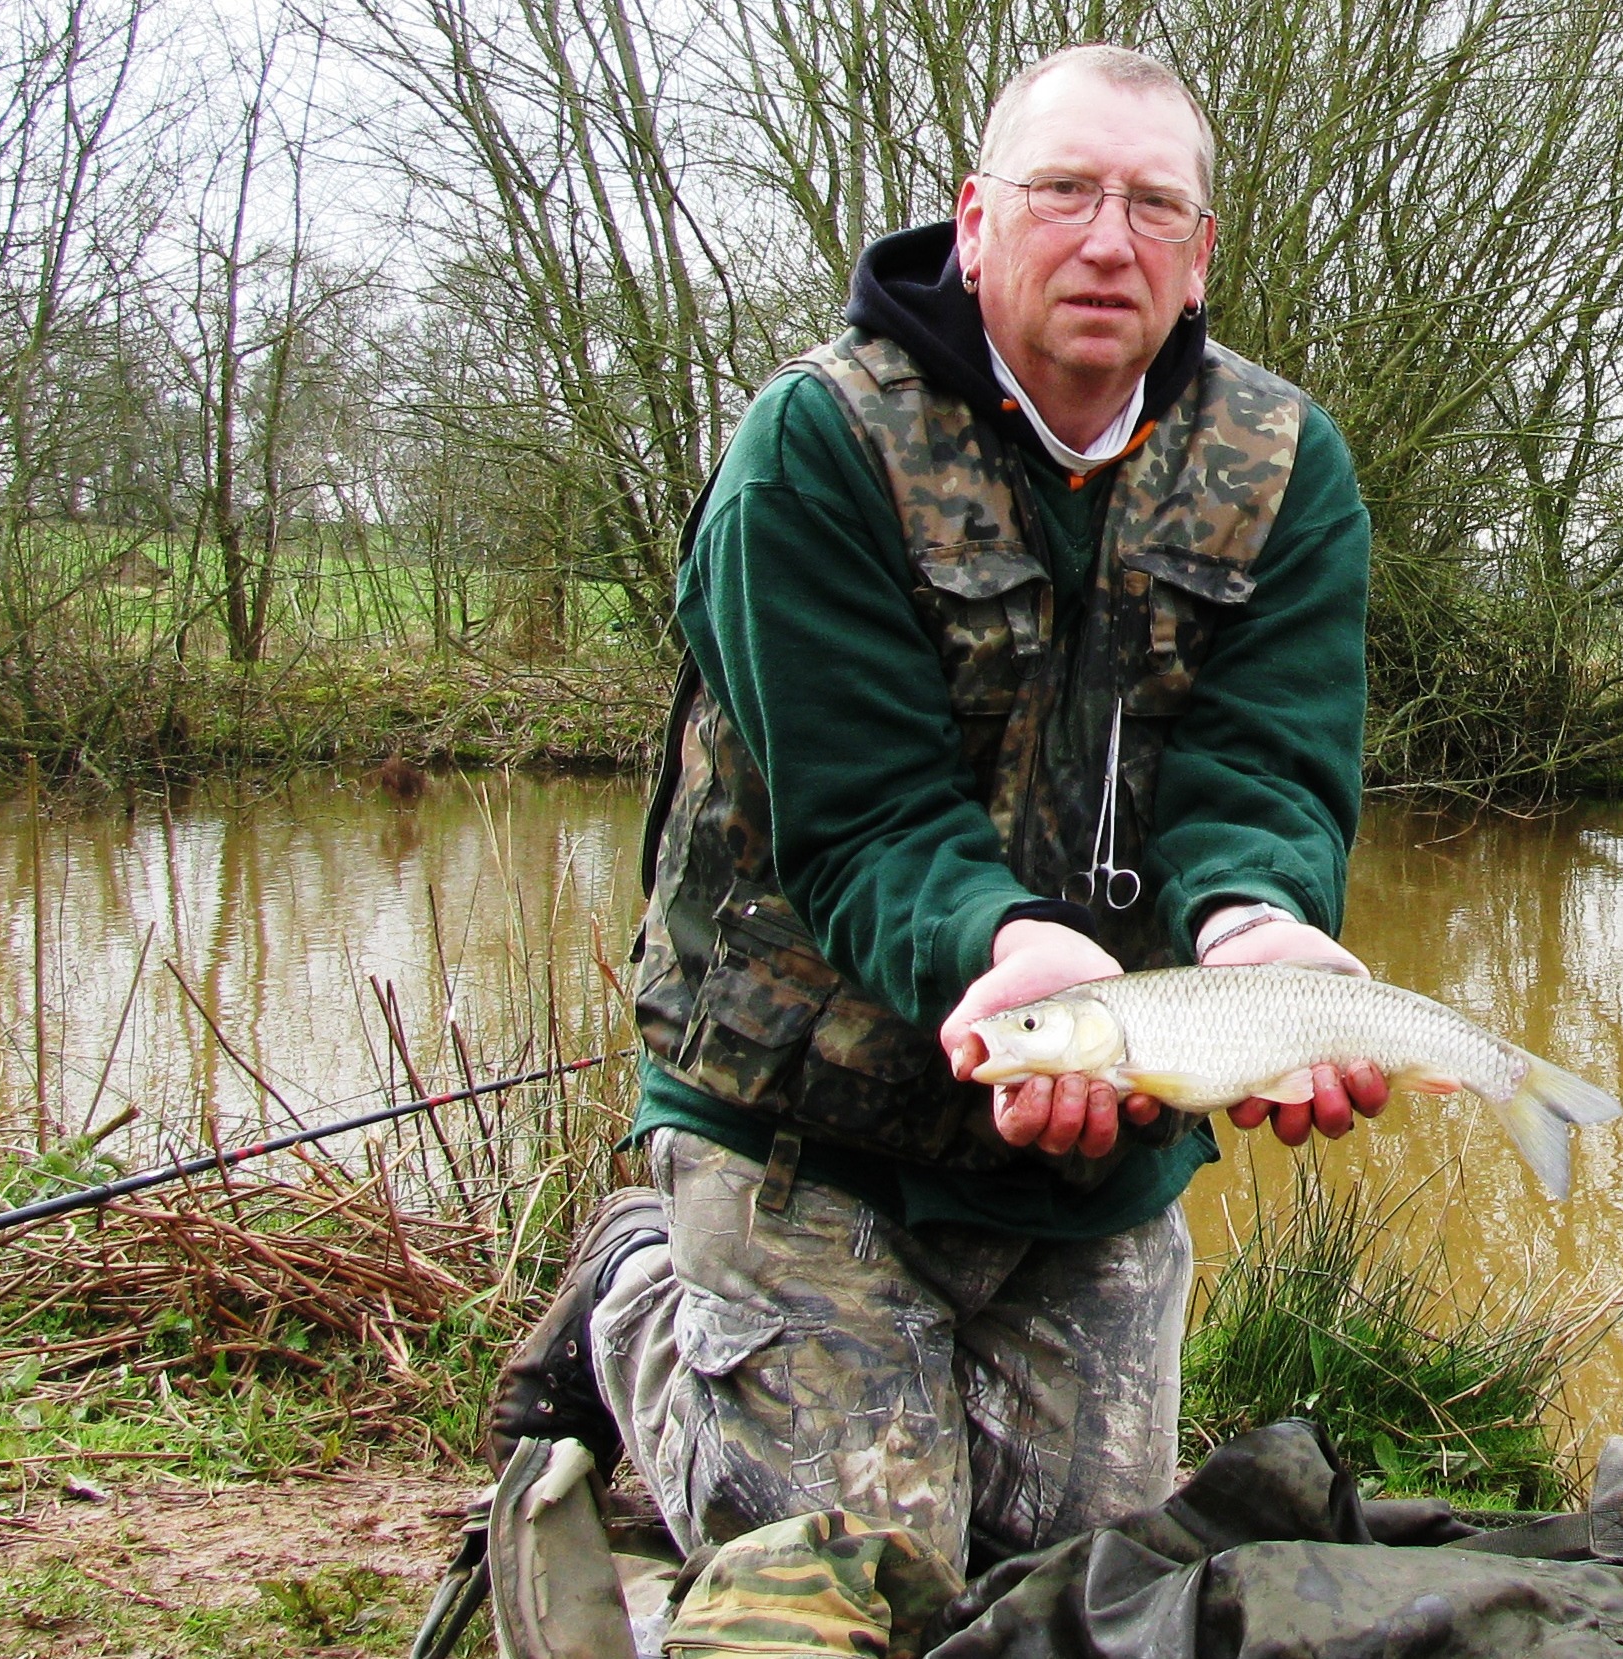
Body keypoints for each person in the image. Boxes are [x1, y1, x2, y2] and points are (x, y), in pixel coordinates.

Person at [487, 43, 1385, 1577]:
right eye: (1063, 192)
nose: (1107, 240)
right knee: (874, 1589)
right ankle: (637, 1299)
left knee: (1081, 1590)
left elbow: (1264, 770)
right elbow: (866, 818)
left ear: (1198, 256)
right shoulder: (816, 447)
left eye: (1152, 206)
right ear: (974, 222)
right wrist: (1007, 948)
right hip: (806, 1110)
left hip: (1094, 1137)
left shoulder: (1282, 465)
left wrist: (1257, 923)